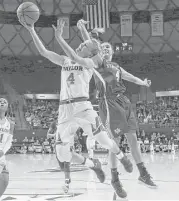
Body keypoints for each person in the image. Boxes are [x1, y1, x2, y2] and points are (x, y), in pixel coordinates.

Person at [19, 18, 132, 194]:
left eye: (83, 45)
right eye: (80, 45)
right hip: (64, 110)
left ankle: (122, 156)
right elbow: (43, 52)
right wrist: (32, 29)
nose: (80, 46)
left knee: (103, 140)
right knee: (62, 154)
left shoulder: (91, 62)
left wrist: (60, 38)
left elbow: (77, 54)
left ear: (91, 52)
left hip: (83, 106)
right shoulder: (65, 60)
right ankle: (92, 164)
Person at [77, 20, 157, 198]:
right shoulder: (97, 63)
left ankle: (143, 174)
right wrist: (82, 28)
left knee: (133, 139)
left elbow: (131, 78)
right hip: (109, 103)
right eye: (102, 48)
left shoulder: (117, 67)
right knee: (115, 144)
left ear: (112, 52)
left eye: (108, 48)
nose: (105, 50)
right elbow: (90, 45)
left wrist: (143, 83)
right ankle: (115, 179)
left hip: (125, 102)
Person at [0, 98, 15, 197]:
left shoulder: (11, 123)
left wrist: (2, 151)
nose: (1, 103)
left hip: (1, 153)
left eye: (4, 102)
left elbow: (9, 140)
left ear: (7, 106)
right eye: (0, 102)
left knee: (5, 179)